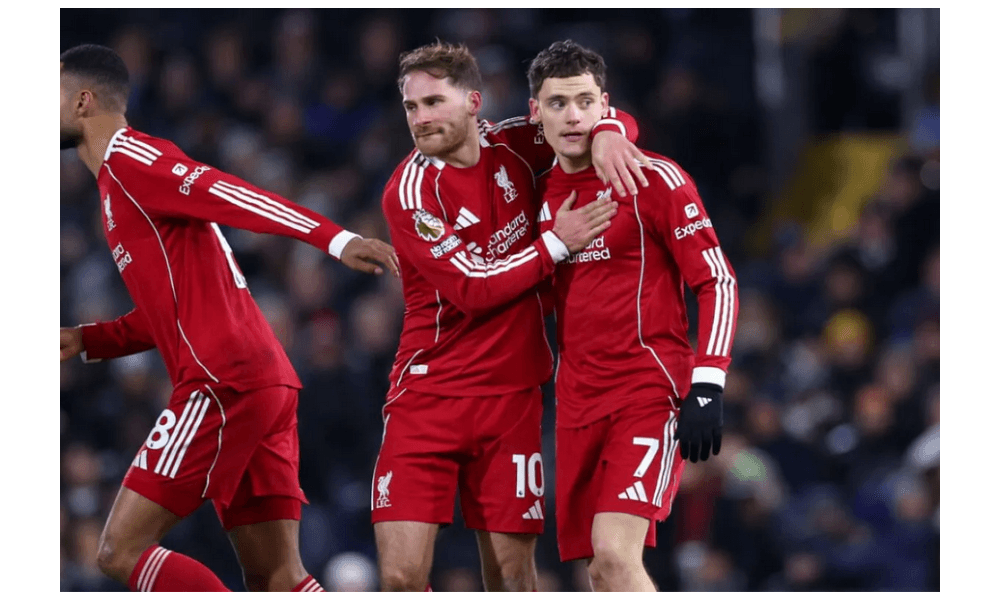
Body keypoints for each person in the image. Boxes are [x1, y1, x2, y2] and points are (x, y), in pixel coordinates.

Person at [58, 44, 399, 592]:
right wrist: (87, 339)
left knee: (119, 551)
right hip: (259, 381)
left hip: (222, 381)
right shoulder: (116, 186)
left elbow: (229, 192)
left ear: (81, 100)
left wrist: (335, 239)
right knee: (278, 577)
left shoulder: (131, 159)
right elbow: (165, 315)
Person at [374, 41, 650, 592]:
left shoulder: (518, 146)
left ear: (474, 101)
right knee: (401, 578)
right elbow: (473, 289)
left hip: (513, 399)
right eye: (411, 107)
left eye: (434, 102)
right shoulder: (410, 193)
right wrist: (554, 244)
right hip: (429, 398)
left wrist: (611, 131)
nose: (422, 118)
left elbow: (581, 117)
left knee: (513, 577)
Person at [527, 40, 740, 591]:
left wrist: (708, 383)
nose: (573, 115)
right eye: (556, 103)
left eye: (585, 102)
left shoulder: (654, 179)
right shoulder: (532, 195)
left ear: (605, 105)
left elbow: (716, 279)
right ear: (534, 112)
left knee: (616, 557)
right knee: (598, 570)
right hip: (576, 401)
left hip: (647, 388)